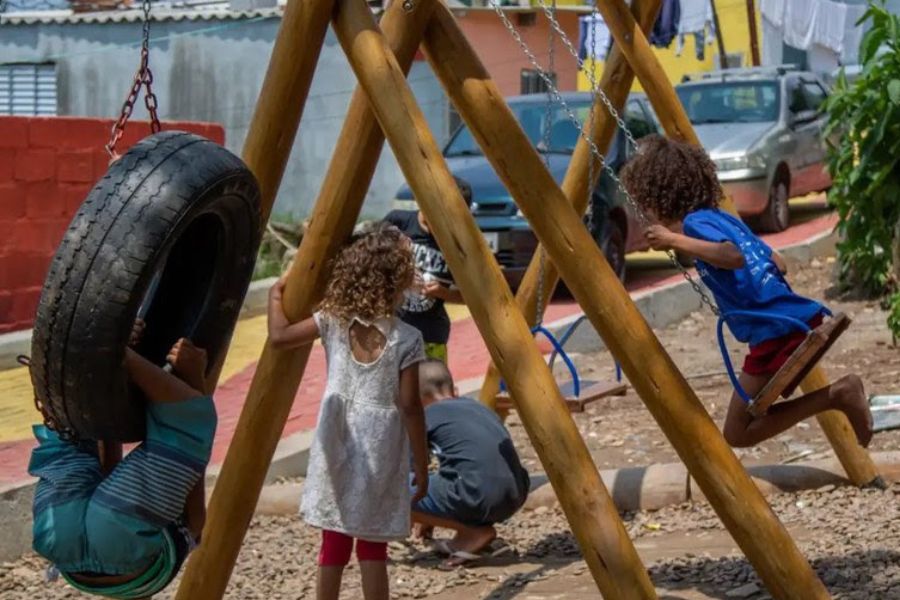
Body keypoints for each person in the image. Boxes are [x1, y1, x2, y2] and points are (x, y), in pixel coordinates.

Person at [620, 135, 873, 448]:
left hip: (775, 333)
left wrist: (674, 241)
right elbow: (777, 262)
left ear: (659, 198)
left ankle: (838, 394)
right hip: (795, 316)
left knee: (737, 431)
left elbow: (732, 256)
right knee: (746, 420)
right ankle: (837, 395)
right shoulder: (724, 219)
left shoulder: (695, 224)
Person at [268, 222, 429, 600]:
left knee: (334, 539)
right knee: (373, 544)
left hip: (335, 440)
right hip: (381, 445)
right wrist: (421, 465)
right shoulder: (407, 339)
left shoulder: (333, 322)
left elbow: (279, 338)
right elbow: (410, 406)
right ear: (398, 282)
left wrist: (276, 297)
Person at [28, 328, 216, 599]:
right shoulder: (103, 577)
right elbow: (105, 472)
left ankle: (110, 346)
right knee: (70, 428)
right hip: (59, 543)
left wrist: (194, 376)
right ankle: (65, 364)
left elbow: (193, 483)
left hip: (123, 540)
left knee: (187, 426)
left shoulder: (155, 562)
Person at [412, 359, 530, 568]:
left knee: (393, 491)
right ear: (455, 390)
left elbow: (408, 469)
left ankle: (474, 532)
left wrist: (420, 513)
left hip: (477, 494)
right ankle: (469, 534)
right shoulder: (478, 407)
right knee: (462, 473)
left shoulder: (426, 416)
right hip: (515, 494)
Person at [383, 178, 473, 363]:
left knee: (432, 386)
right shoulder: (398, 222)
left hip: (431, 335)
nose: (445, 221)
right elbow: (367, 261)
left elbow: (471, 297)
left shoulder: (456, 245)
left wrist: (443, 292)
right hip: (393, 331)